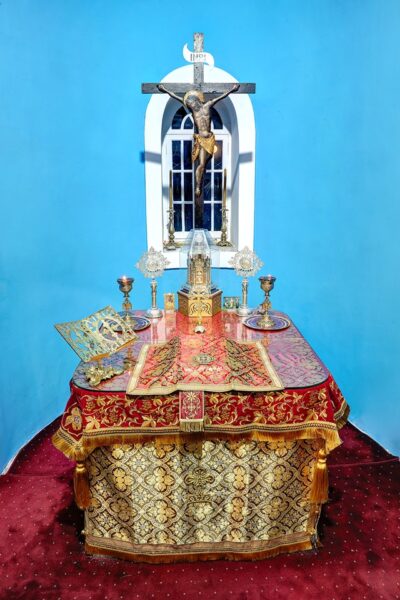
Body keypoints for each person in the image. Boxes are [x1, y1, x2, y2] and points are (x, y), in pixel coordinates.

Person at [158, 83, 240, 197]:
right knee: (201, 164)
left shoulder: (207, 105)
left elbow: (220, 97)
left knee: (205, 164)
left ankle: (202, 180)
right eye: (189, 104)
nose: (189, 105)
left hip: (210, 139)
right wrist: (165, 89)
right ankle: (198, 186)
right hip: (201, 140)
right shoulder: (193, 111)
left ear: (196, 101)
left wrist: (232, 90)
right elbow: (176, 97)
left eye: (190, 103)